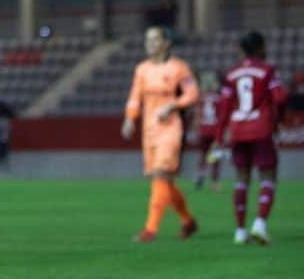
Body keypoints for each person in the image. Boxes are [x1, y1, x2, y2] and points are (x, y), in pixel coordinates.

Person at [121, 25, 199, 242]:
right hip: (149, 130)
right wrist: (130, 118)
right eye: (148, 40)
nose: (150, 44)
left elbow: (192, 94)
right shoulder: (142, 69)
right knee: (166, 182)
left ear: (166, 43)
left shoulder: (179, 68)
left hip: (171, 128)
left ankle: (150, 230)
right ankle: (188, 221)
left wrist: (173, 105)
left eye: (155, 40)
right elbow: (135, 97)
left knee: (161, 175)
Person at [216, 31, 288, 245]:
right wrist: (278, 120)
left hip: (238, 130)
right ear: (260, 48)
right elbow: (280, 97)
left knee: (241, 179)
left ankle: (239, 231)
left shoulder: (230, 74)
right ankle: (259, 224)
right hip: (260, 128)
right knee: (268, 176)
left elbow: (224, 107)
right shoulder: (267, 70)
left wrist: (220, 136)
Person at [192, 70, 224, 191]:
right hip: (215, 131)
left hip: (203, 130)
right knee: (216, 156)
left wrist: (197, 129)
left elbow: (197, 116)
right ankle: (215, 182)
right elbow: (222, 116)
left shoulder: (200, 99)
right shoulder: (219, 99)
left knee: (203, 155)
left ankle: (201, 173)